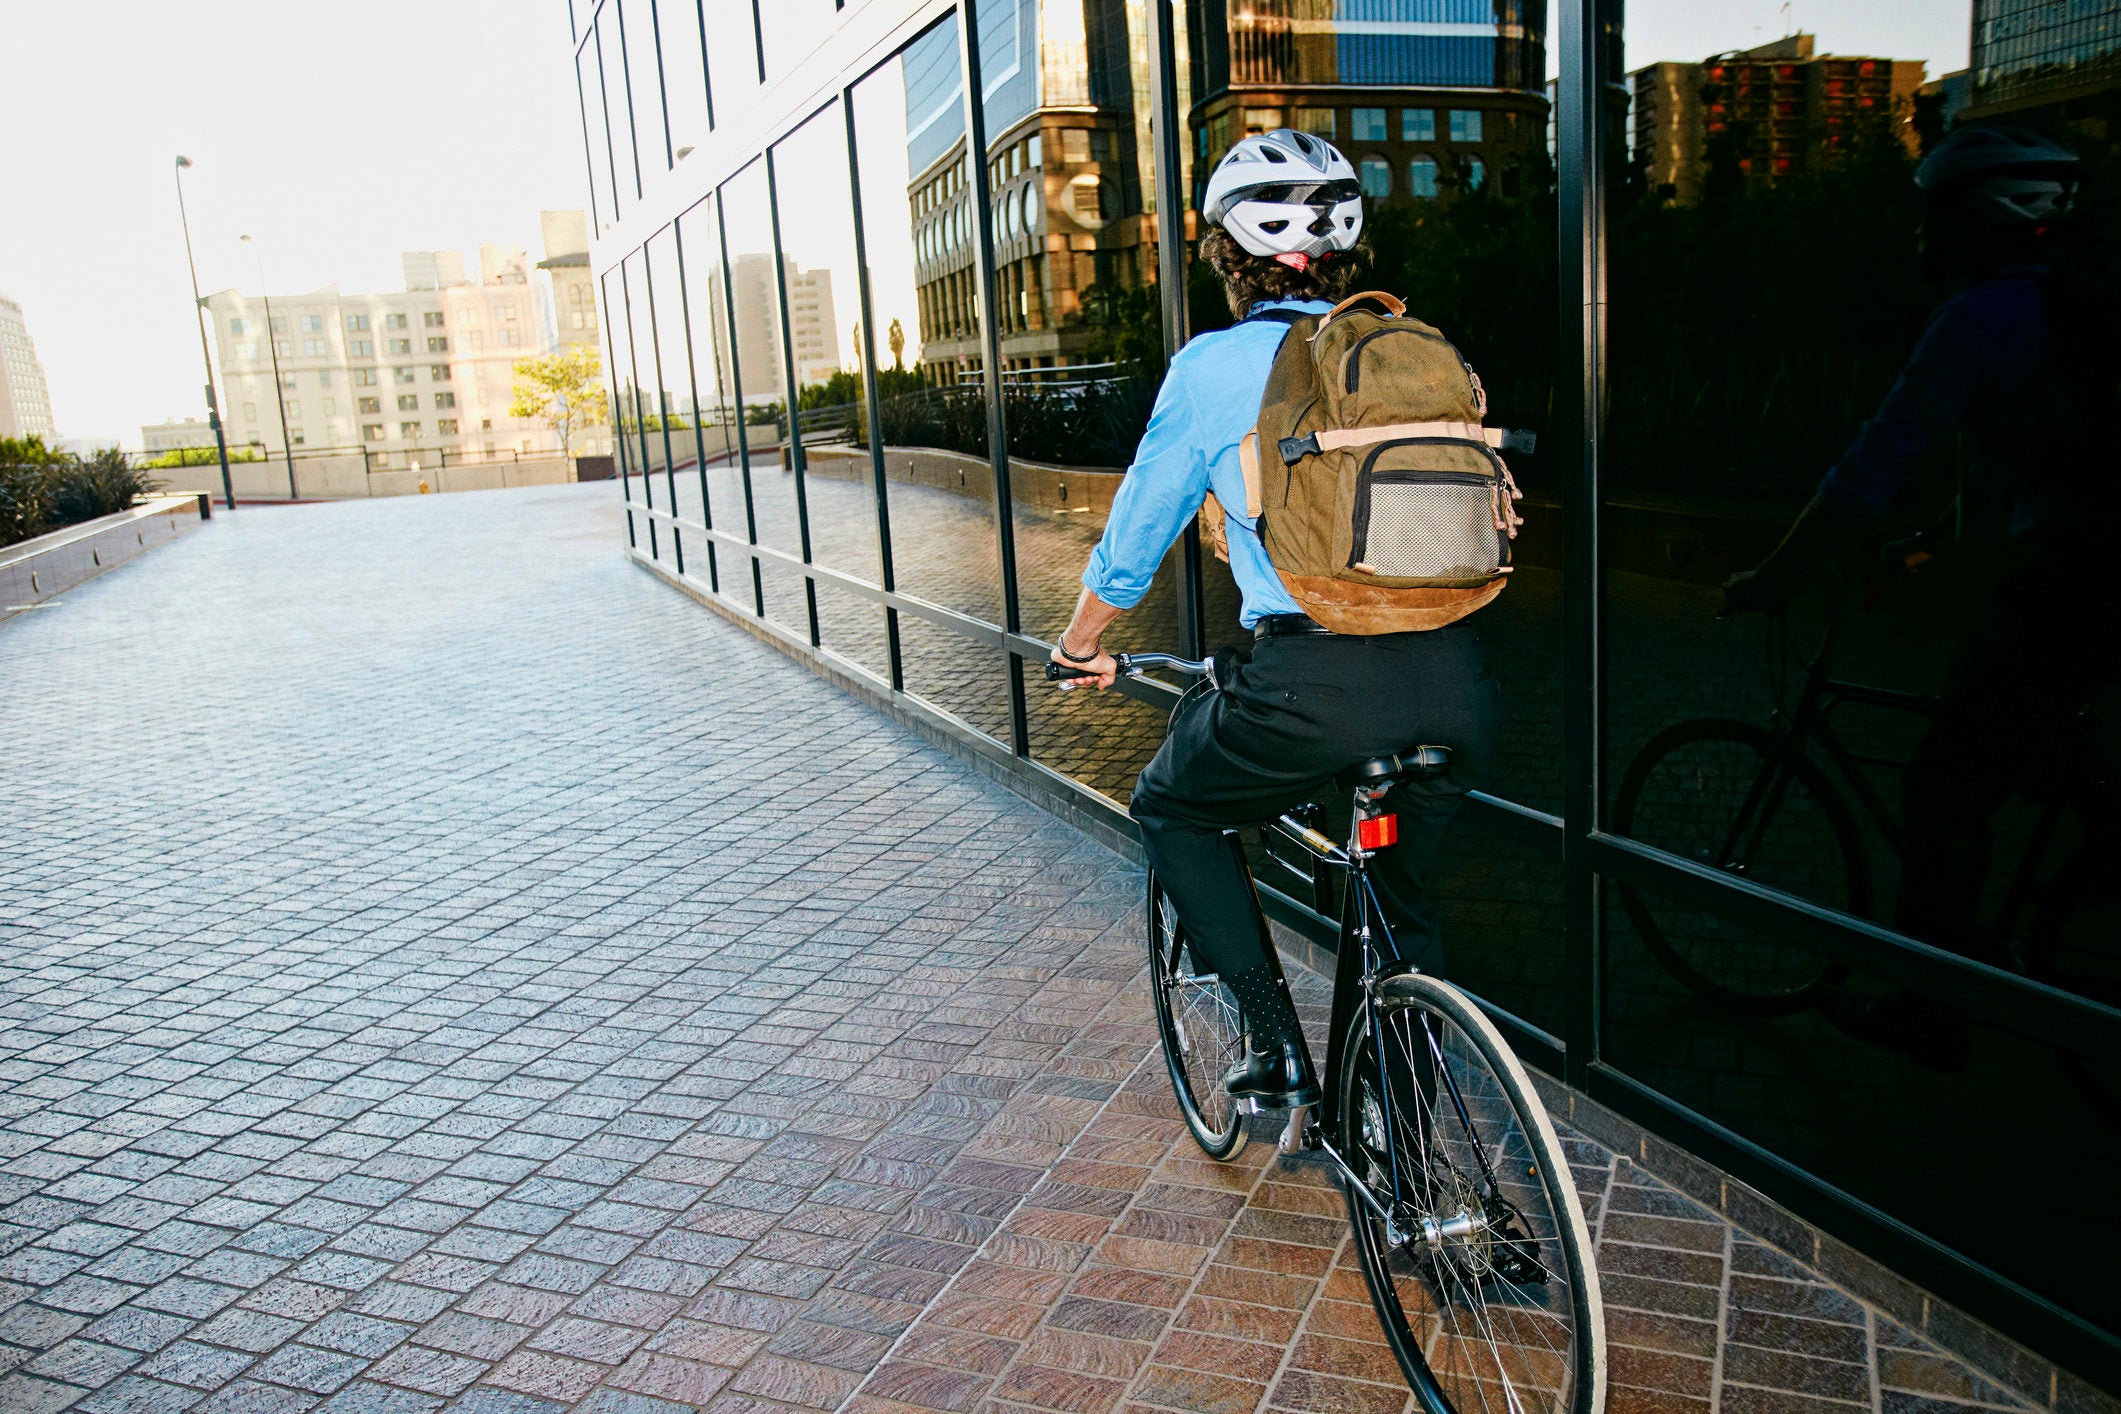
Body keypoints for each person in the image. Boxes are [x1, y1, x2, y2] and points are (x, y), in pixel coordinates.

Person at [1049, 129, 1502, 1109]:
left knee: (1173, 807)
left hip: (1315, 689)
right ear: (1340, 253)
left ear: (1228, 254)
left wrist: (1079, 644)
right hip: (1457, 681)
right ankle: (1412, 1158)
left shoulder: (1217, 367)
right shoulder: (1417, 351)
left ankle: (1275, 1044)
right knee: (1398, 909)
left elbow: (1132, 547)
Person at [1724, 124, 2118, 1067]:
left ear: (1980, 219)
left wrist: (1775, 573)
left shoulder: (1982, 315)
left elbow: (1875, 458)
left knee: (1943, 788)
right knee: (2029, 758)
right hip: (2089, 575)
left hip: (2066, 587)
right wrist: (1932, 546)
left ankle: (1932, 1006)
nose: (1920, 240)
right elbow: (2020, 468)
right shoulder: (2072, 310)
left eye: (1932, 218)